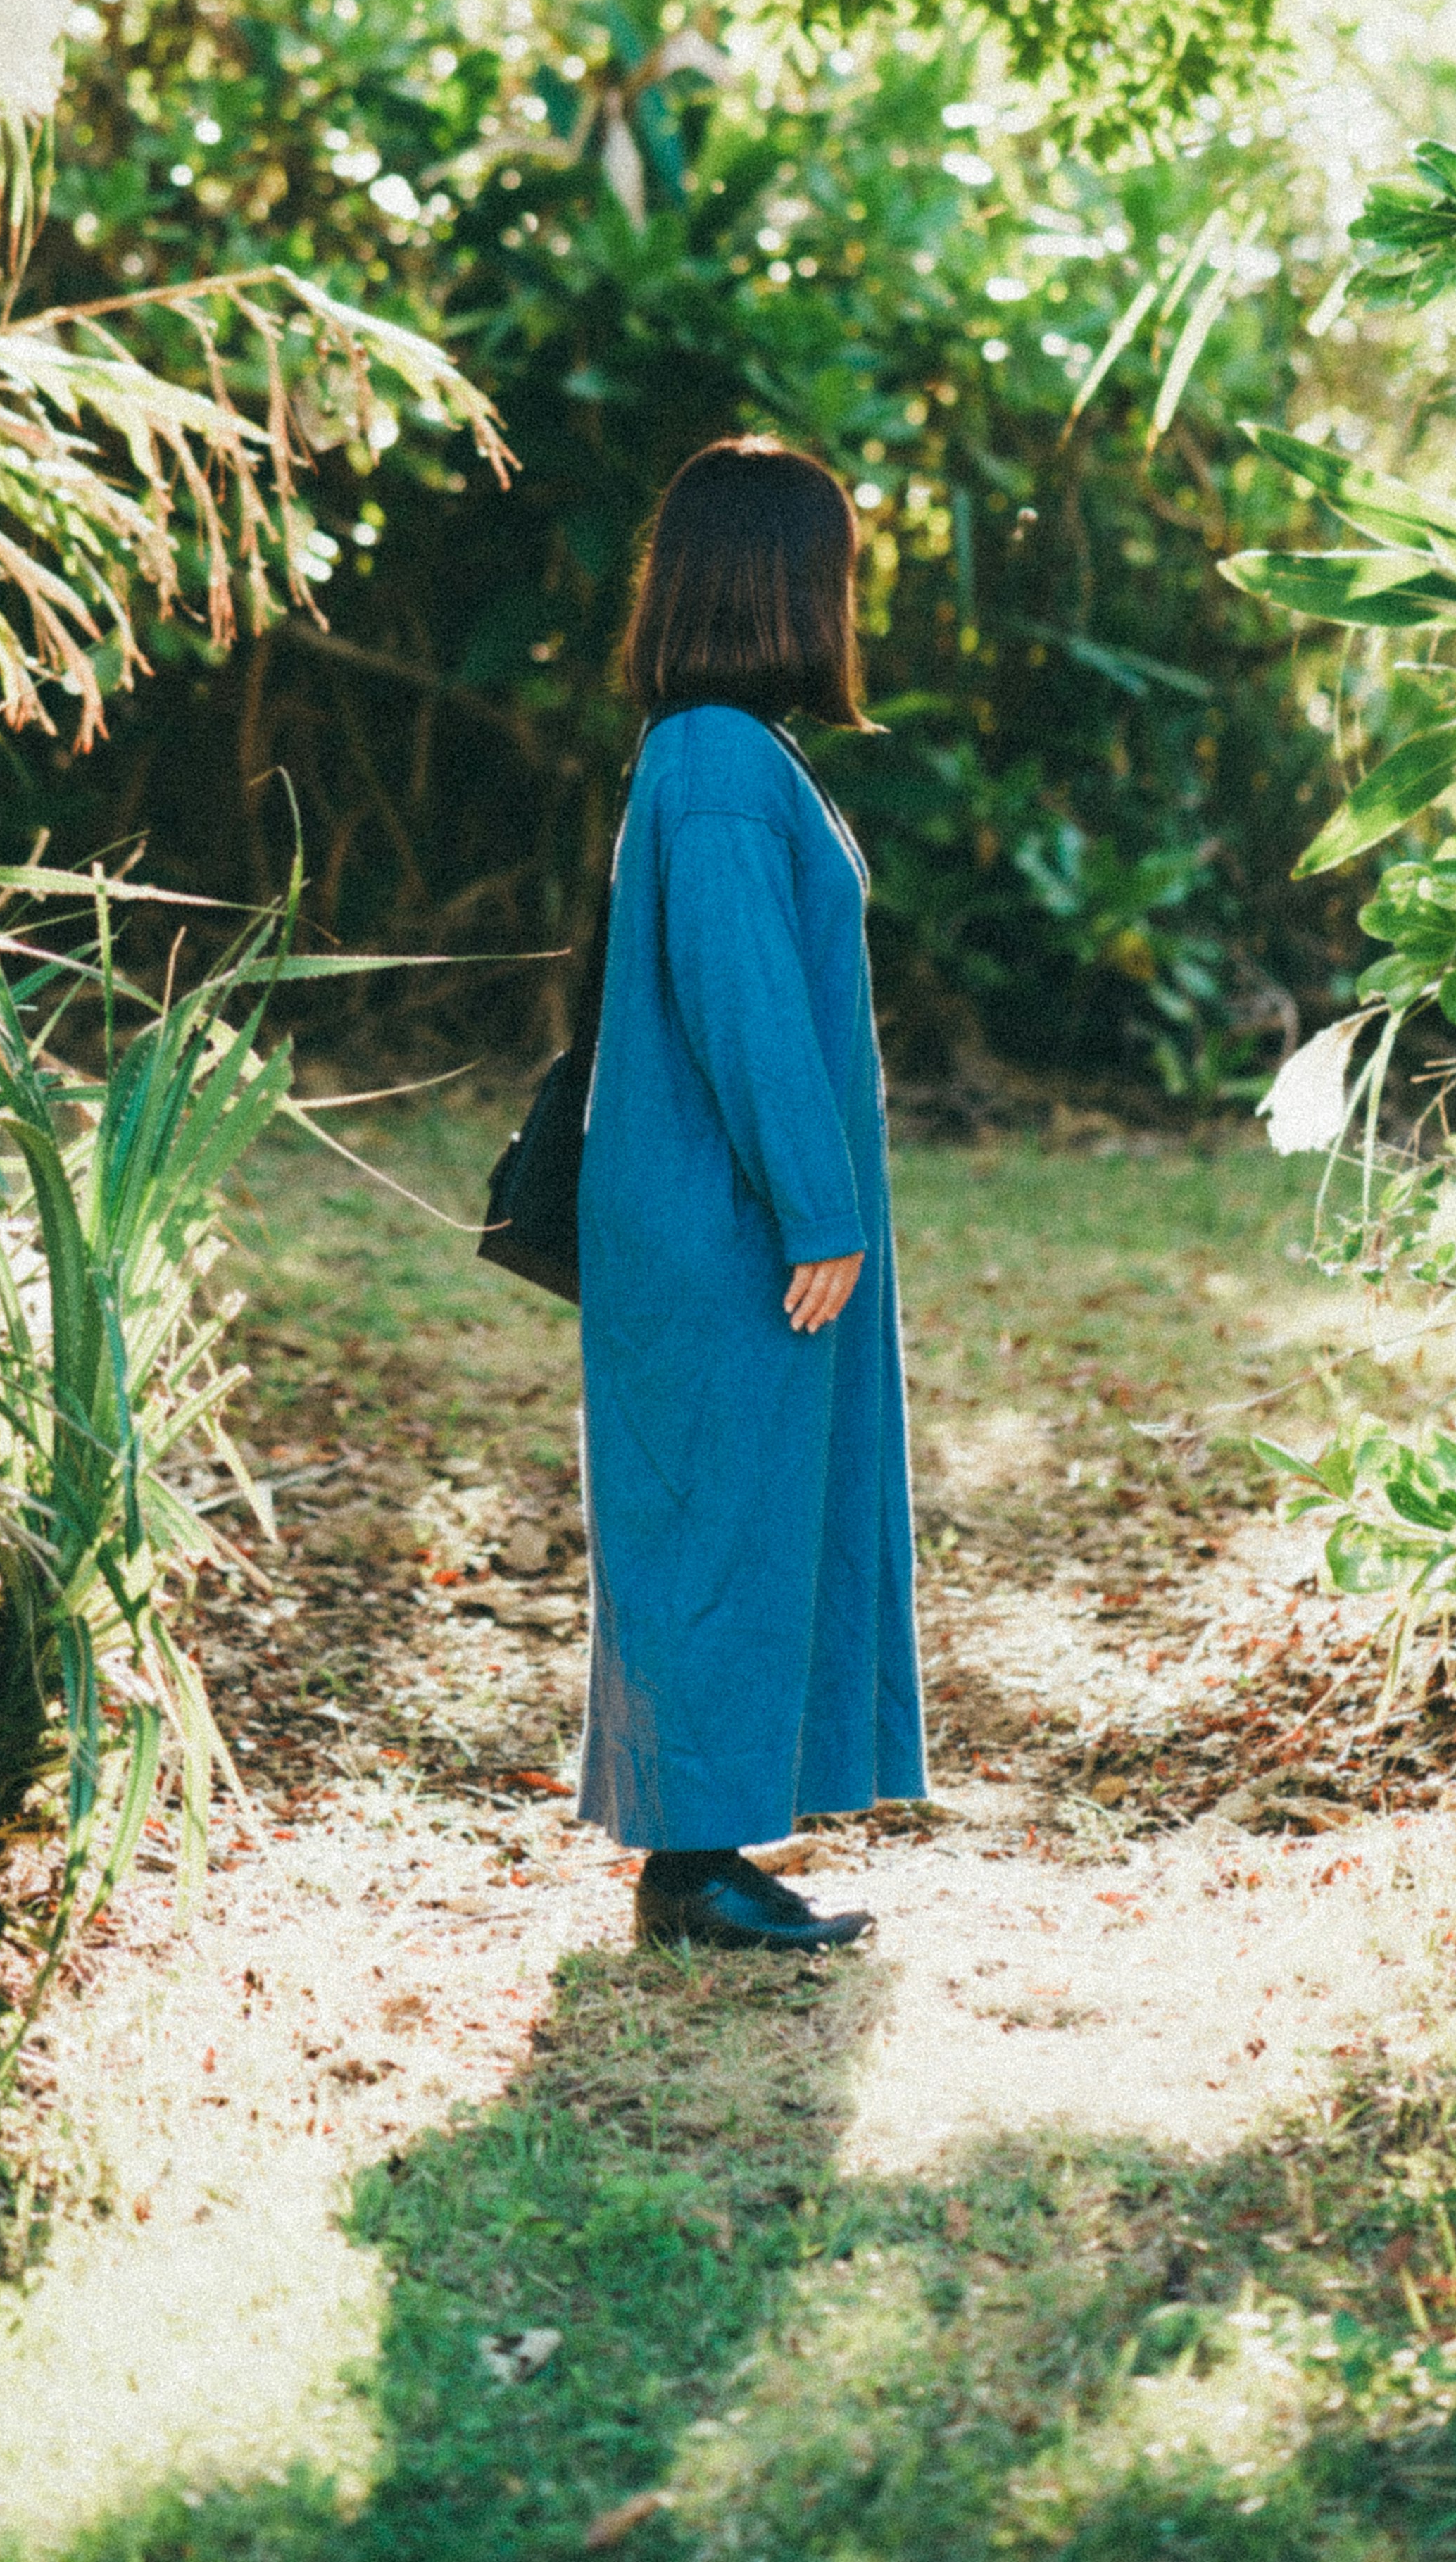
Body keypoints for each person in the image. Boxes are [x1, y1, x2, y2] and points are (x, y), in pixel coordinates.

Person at [574, 437, 926, 1951]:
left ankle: (709, 1848)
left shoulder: (721, 751)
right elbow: (742, 1000)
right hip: (722, 1220)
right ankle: (693, 1865)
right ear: (786, 581)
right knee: (717, 1517)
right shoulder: (716, 758)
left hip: (718, 1212)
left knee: (745, 1504)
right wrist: (816, 1203)